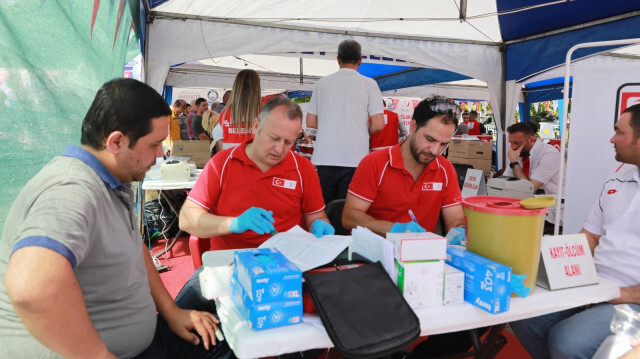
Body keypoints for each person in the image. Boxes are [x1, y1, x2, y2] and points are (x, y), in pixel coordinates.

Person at [0, 78, 231, 359]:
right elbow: (30, 287)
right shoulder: (71, 190)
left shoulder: (111, 180)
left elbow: (135, 245)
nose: (161, 154)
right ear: (117, 142)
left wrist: (172, 312)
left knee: (226, 334)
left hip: (144, 339)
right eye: (155, 144)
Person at [342, 97, 478, 357]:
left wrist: (457, 232)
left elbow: (455, 220)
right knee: (375, 333)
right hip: (375, 264)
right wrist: (394, 229)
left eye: (444, 144)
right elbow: (349, 217)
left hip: (423, 265)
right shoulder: (376, 163)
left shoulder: (444, 169)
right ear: (413, 127)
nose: (435, 150)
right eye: (430, 139)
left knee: (474, 317)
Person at [510, 103, 640, 359]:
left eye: (619, 132)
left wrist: (623, 294)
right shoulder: (617, 181)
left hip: (630, 298)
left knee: (569, 341)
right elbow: (589, 236)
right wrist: (568, 272)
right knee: (521, 314)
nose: (612, 139)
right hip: (597, 285)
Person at [179, 97, 335, 251]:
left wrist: (320, 224)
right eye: (274, 138)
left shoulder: (303, 168)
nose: (279, 149)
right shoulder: (221, 163)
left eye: (289, 142)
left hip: (287, 262)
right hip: (231, 262)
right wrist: (234, 224)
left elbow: (316, 216)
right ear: (255, 126)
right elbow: (187, 219)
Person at [306, 39, 385, 204]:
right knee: (345, 212)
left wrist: (331, 125)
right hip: (355, 158)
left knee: (323, 211)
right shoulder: (369, 84)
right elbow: (378, 124)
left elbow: (311, 122)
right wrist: (361, 129)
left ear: (338, 59)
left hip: (325, 158)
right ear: (360, 61)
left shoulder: (322, 83)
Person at [501, 121, 566, 230]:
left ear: (531, 139)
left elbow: (529, 188)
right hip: (530, 205)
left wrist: (514, 162)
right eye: (511, 142)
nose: (512, 147)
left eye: (516, 143)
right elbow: (504, 181)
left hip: (552, 210)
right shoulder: (521, 152)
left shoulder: (549, 154)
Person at [220, 69, 262, 150]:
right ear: (256, 87)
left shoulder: (224, 113)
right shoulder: (263, 112)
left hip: (230, 157)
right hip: (253, 158)